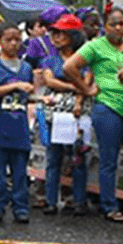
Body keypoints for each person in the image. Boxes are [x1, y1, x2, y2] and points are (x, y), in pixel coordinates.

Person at [65, 6, 123, 219]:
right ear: (105, 27)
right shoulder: (95, 46)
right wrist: (86, 90)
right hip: (107, 106)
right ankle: (109, 206)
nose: (118, 28)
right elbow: (69, 67)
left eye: (122, 24)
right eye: (114, 23)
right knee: (108, 159)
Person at [0, 23, 35, 223]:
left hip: (20, 125)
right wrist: (15, 85)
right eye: (9, 39)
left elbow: (28, 95)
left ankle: (20, 206)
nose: (14, 44)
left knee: (20, 171)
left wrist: (39, 98)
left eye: (17, 39)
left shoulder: (27, 67)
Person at [39, 14, 89, 215]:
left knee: (78, 158)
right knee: (53, 159)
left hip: (77, 112)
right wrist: (74, 85)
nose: (56, 37)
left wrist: (77, 92)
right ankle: (51, 201)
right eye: (54, 32)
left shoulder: (84, 58)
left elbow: (87, 82)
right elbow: (49, 81)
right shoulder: (50, 59)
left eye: (61, 33)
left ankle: (79, 201)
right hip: (55, 113)